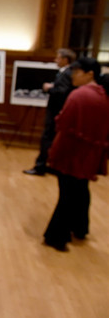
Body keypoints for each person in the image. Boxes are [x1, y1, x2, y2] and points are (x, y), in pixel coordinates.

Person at [42, 57, 109, 251]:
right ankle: (80, 228)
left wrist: (53, 151)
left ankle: (57, 237)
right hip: (89, 154)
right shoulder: (102, 95)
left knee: (67, 195)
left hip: (71, 153)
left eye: (77, 72)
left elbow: (63, 124)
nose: (73, 75)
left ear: (89, 74)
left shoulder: (80, 95)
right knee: (80, 190)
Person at [23, 48, 77, 176]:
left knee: (47, 138)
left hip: (55, 112)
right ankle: (51, 165)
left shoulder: (66, 73)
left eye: (58, 58)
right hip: (57, 111)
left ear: (65, 60)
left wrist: (49, 88)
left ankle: (40, 166)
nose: (55, 60)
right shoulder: (67, 73)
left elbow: (63, 92)